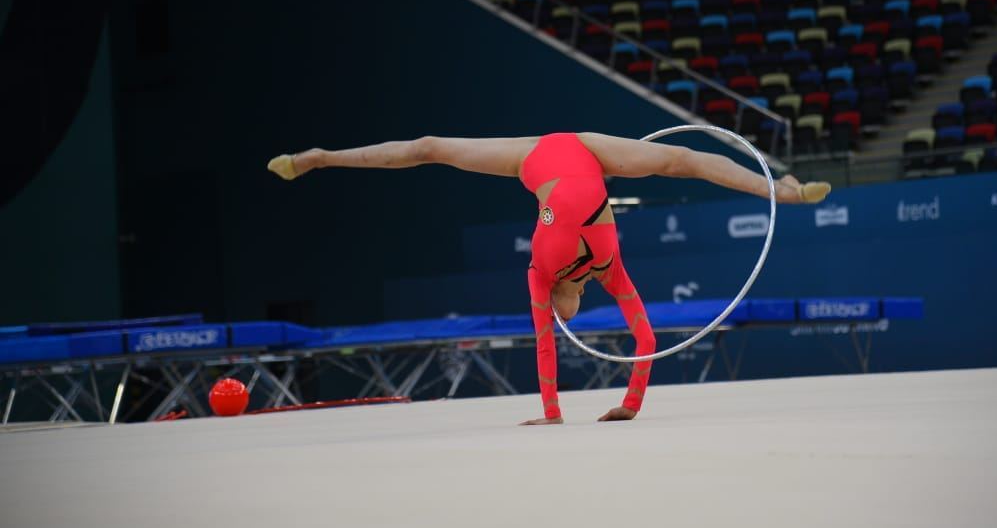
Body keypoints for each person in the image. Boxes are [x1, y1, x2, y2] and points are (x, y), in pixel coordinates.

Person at [267, 132, 831, 425]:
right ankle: (319, 158)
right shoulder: (609, 270)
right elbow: (645, 340)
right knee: (675, 158)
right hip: (581, 155)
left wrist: (553, 411)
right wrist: (628, 405)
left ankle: (780, 189)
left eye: (565, 313)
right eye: (570, 309)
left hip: (538, 160)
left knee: (430, 149)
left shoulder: (538, 274)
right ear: (577, 293)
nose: (564, 314)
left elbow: (544, 345)